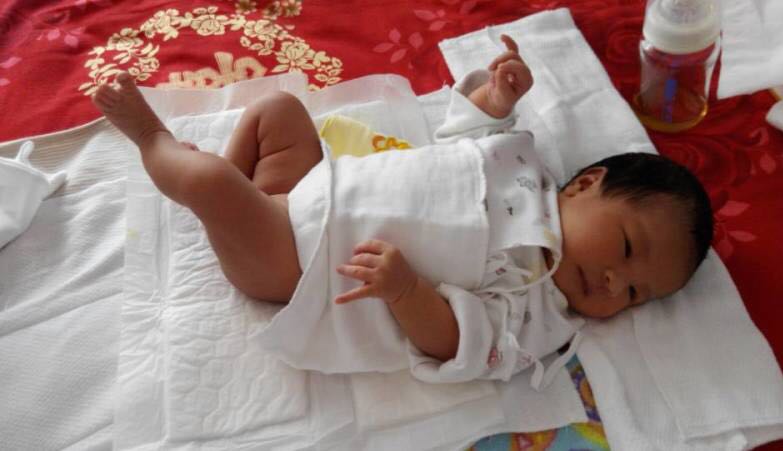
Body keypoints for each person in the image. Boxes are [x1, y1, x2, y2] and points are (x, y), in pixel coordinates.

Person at [92, 35, 713, 386]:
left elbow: (464, 346)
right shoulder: (523, 165)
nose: (613, 282)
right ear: (586, 185)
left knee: (210, 185)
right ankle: (228, 201)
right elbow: (468, 136)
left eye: (635, 293)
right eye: (626, 250)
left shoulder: (539, 305)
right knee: (278, 111)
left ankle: (154, 141)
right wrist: (496, 98)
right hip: (313, 186)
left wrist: (407, 291)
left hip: (298, 262)